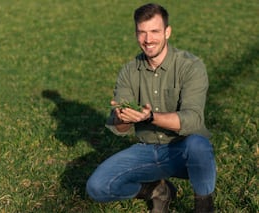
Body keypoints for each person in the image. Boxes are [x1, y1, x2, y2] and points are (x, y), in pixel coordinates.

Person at [86, 3, 216, 213]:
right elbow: (120, 129)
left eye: (155, 31)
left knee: (199, 146)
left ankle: (204, 205)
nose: (148, 40)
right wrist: (124, 117)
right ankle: (155, 190)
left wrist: (149, 117)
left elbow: (193, 121)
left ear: (167, 32)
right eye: (142, 33)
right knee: (97, 187)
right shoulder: (129, 71)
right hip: (146, 150)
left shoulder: (191, 66)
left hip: (183, 150)